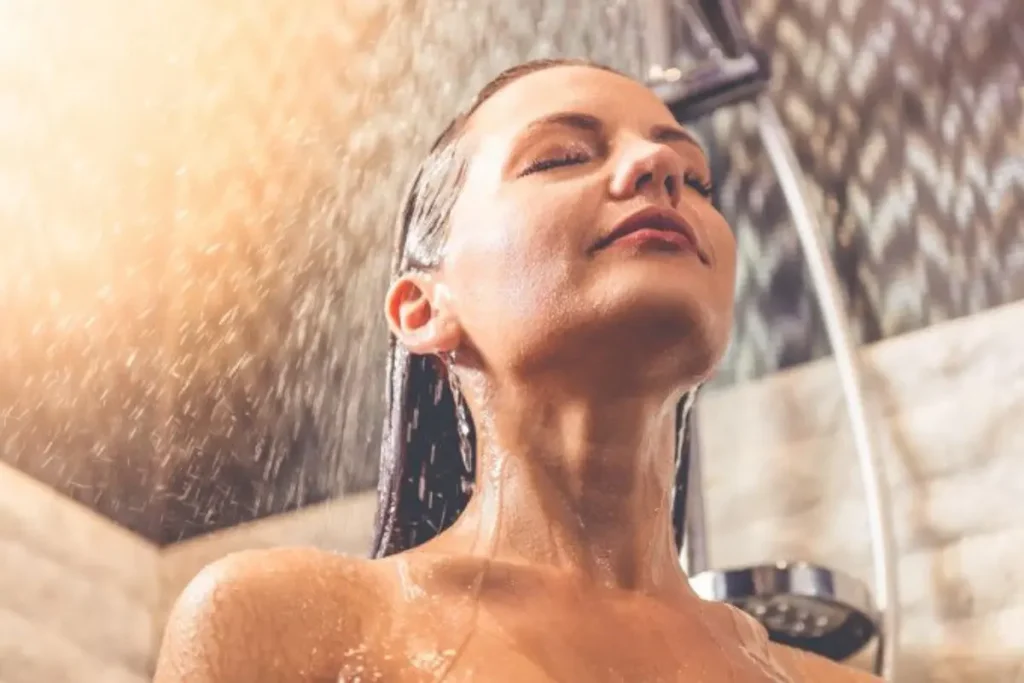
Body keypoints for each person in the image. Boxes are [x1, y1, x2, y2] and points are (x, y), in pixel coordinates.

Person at [154, 58, 881, 682]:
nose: (660, 171)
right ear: (422, 308)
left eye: (695, 177)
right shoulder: (289, 627)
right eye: (562, 156)